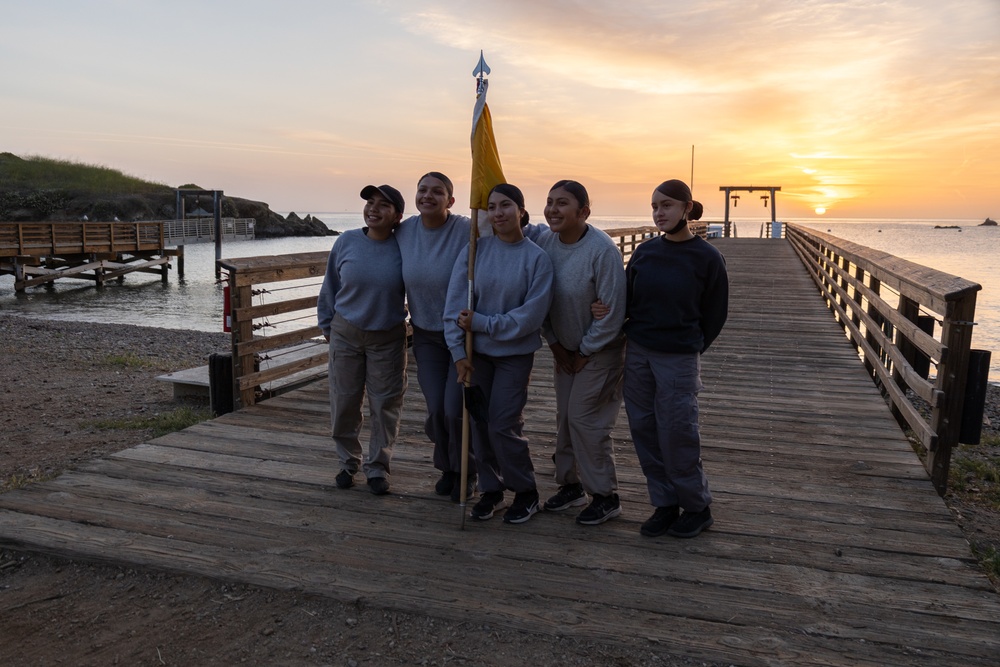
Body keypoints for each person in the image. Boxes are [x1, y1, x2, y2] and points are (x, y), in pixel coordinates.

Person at [623, 179, 729, 538]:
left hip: (678, 357)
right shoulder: (645, 252)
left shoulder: (707, 257)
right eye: (654, 206)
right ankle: (665, 503)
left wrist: (692, 346)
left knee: (677, 433)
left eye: (666, 205)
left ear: (687, 207)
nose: (659, 213)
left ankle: (697, 507)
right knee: (644, 430)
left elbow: (715, 313)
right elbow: (627, 297)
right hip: (638, 352)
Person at [444, 183, 554, 524]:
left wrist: (483, 323)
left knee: (503, 424)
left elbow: (529, 319)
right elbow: (455, 305)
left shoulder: (537, 259)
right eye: (491, 207)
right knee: (479, 423)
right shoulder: (475, 250)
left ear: (521, 210)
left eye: (505, 205)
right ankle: (492, 489)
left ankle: (525, 490)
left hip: (513, 356)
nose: (498, 213)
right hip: (476, 356)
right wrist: (457, 351)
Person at [535, 180, 627, 525]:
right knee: (565, 418)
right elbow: (539, 297)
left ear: (584, 212)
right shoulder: (545, 242)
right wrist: (556, 345)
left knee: (585, 420)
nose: (553, 210)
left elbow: (614, 312)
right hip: (564, 348)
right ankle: (570, 484)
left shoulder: (602, 250)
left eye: (562, 203)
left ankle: (605, 494)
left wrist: (584, 350)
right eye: (549, 202)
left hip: (600, 350)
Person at [317, 184, 409, 496]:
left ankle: (378, 467)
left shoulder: (404, 246)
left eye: (383, 205)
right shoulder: (347, 241)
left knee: (385, 405)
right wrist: (327, 324)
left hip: (388, 336)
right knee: (344, 401)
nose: (374, 209)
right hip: (346, 332)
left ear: (397, 215)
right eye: (370, 203)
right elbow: (330, 285)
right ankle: (347, 462)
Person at [394, 172, 478, 502]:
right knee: (435, 410)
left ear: (451, 201)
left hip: (461, 336)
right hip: (426, 334)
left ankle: (468, 471)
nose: (428, 196)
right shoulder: (403, 232)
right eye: (422, 189)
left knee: (455, 408)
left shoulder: (465, 229)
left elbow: (516, 229)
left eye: (438, 192)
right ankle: (448, 467)